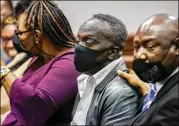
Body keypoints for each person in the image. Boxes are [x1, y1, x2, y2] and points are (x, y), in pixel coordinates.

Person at [1, 0, 79, 125]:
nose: (18, 40)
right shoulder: (38, 59)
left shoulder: (70, 63)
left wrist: (2, 70)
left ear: (37, 36)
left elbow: (34, 106)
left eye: (20, 33)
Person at [71, 14, 139, 125]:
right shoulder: (87, 78)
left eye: (89, 42)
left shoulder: (120, 92)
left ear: (112, 52)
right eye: (78, 40)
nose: (78, 47)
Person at [118, 13, 179, 125]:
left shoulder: (174, 103)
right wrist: (144, 88)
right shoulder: (159, 86)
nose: (140, 55)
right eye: (136, 47)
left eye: (150, 47)